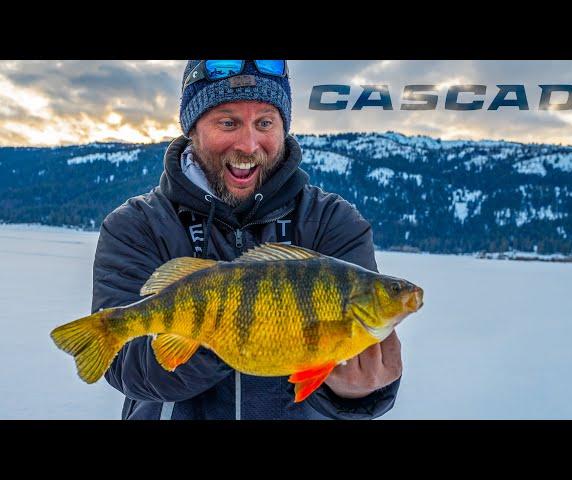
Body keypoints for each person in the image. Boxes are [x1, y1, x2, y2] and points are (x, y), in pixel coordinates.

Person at [91, 60, 402, 420]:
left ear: (284, 129)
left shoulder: (333, 222)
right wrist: (225, 331)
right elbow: (126, 366)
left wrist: (359, 393)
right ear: (193, 129)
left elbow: (348, 373)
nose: (249, 144)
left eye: (265, 123)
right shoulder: (137, 225)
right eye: (228, 122)